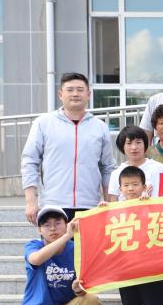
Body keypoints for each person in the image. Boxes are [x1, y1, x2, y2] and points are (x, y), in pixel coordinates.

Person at [14, 207, 103, 305]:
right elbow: (36, 260)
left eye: (57, 223)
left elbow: (83, 286)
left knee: (90, 299)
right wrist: (67, 236)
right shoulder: (34, 246)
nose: (53, 228)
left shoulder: (77, 249)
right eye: (47, 225)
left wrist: (78, 289)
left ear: (66, 224)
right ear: (39, 230)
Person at [21, 73, 115, 224]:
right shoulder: (43, 123)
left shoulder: (100, 127)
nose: (75, 94)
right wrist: (30, 201)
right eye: (70, 90)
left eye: (80, 89)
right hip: (53, 204)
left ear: (88, 94)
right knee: (55, 241)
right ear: (60, 94)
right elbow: (29, 161)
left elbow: (107, 167)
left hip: (90, 205)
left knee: (86, 242)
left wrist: (110, 203)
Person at [111, 166, 163, 305]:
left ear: (144, 186)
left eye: (135, 184)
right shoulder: (114, 211)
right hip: (127, 272)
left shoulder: (153, 207)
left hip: (152, 271)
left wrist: (149, 205)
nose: (131, 189)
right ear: (120, 189)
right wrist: (101, 210)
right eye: (126, 185)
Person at [107, 126, 163, 201]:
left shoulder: (158, 168)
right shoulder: (116, 174)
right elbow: (113, 203)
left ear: (145, 144)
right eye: (129, 143)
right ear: (122, 147)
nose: (134, 147)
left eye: (138, 142)